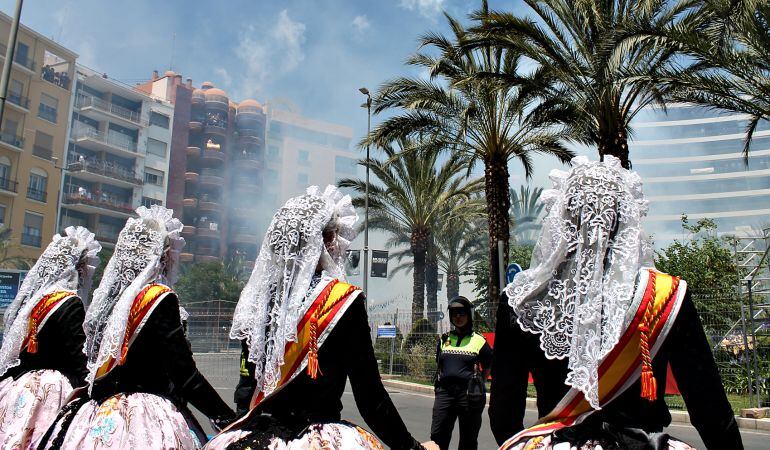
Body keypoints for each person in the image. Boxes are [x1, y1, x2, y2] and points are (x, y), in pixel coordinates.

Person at [488, 156, 742, 449]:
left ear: (562, 218)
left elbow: (503, 416)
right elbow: (710, 409)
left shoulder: (522, 301)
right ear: (627, 219)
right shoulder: (663, 295)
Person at [206, 185, 435, 450]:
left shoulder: (258, 300)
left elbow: (247, 386)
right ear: (325, 241)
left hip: (258, 436)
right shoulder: (341, 300)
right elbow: (370, 397)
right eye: (335, 237)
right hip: (316, 438)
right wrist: (412, 448)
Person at [38, 205, 235, 449]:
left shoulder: (108, 304)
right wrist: (227, 417)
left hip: (99, 414)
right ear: (162, 256)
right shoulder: (159, 298)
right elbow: (183, 374)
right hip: (145, 417)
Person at [0, 226, 100, 449]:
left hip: (18, 386)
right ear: (77, 270)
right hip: (52, 391)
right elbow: (76, 358)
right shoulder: (69, 302)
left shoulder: (29, 303)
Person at [430, 296, 492, 450]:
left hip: (469, 396)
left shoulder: (479, 340)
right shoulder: (444, 340)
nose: (458, 317)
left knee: (468, 439)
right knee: (437, 436)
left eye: (462, 313)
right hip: (444, 394)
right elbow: (440, 364)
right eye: (454, 313)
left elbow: (488, 365)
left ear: (469, 315)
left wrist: (478, 382)